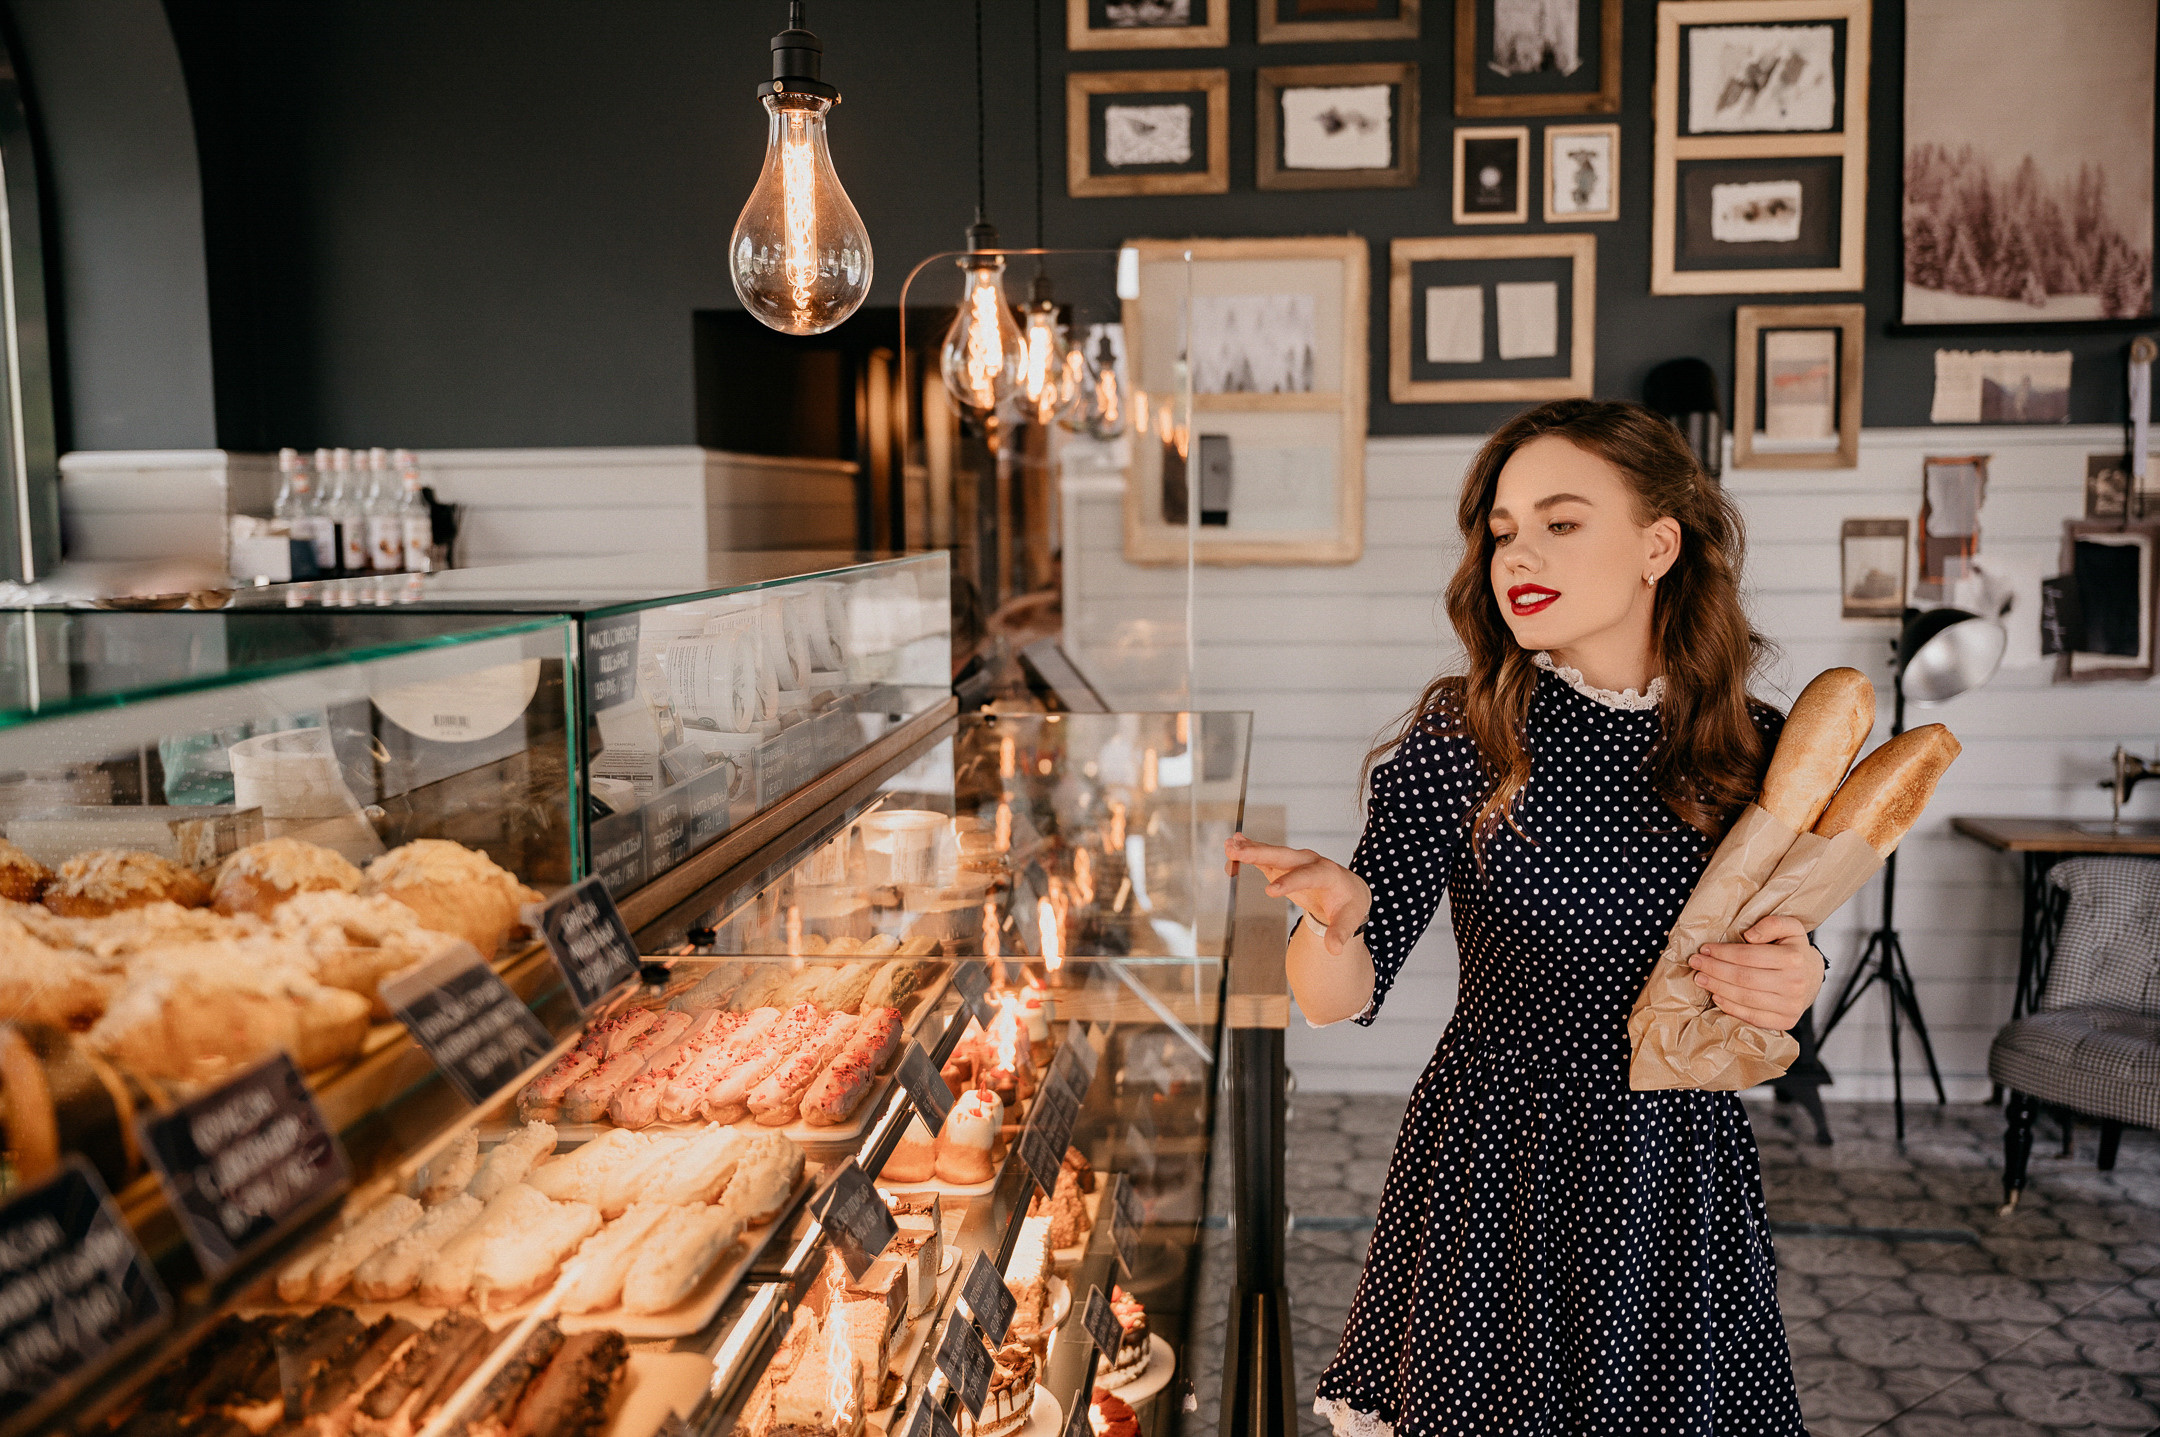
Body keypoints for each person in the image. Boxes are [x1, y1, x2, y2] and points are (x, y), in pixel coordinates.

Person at [1225, 399, 1821, 1436]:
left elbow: (1784, 963)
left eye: (1561, 522)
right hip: (1500, 1162)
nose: (1518, 556)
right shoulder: (1469, 733)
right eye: (1502, 532)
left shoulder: (1753, 746)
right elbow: (1333, 1001)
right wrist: (1332, 925)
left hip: (1673, 1162)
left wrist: (1793, 979)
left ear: (1658, 545)